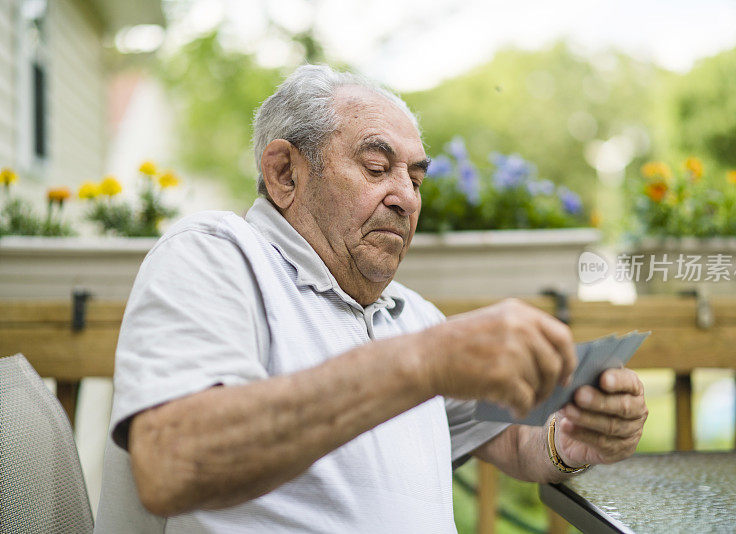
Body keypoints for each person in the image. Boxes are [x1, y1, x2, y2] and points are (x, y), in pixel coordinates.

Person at [95, 65, 648, 533]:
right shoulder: (215, 257)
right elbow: (172, 461)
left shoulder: (406, 313)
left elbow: (508, 440)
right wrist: (425, 363)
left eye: (416, 178)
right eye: (377, 168)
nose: (406, 198)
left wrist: (569, 440)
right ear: (285, 173)